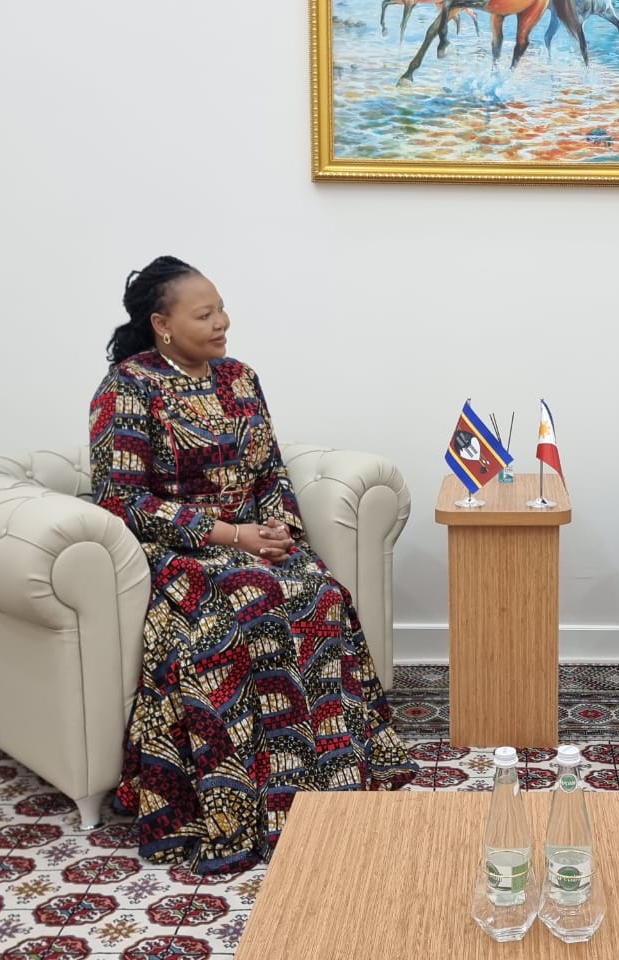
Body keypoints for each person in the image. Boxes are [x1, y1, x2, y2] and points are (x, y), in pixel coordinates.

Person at [89, 255, 418, 874]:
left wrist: (278, 530)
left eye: (221, 310)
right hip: (180, 549)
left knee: (321, 592)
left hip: (252, 538)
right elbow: (122, 499)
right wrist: (231, 537)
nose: (222, 323)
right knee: (252, 598)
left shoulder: (240, 378)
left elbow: (270, 471)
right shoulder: (127, 387)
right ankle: (249, 802)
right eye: (205, 314)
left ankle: (332, 784)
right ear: (162, 324)